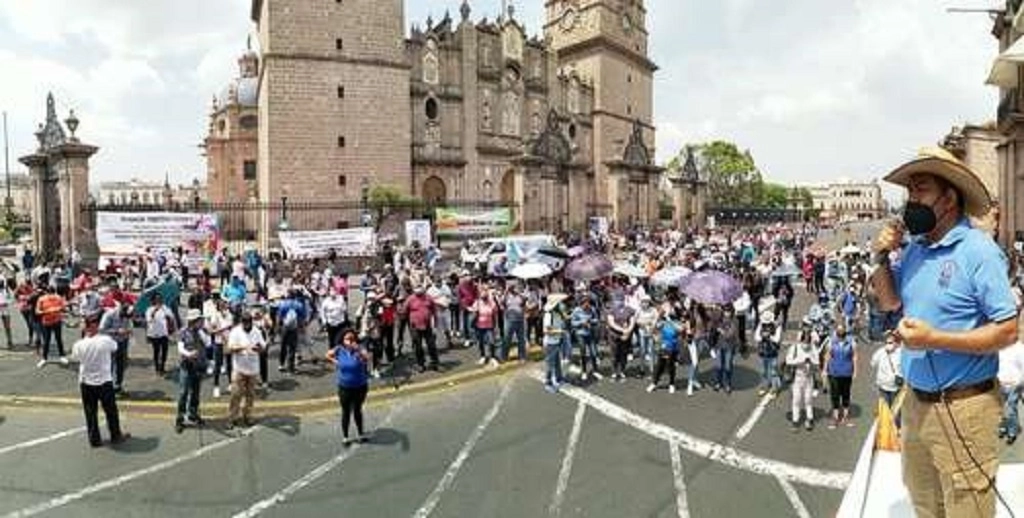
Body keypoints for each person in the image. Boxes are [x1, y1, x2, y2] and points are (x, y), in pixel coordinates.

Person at [870, 148, 1018, 518]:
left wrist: (933, 339)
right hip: (917, 403)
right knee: (925, 503)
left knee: (967, 507)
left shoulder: (979, 252)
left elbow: (1009, 330)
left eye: (920, 190)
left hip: (965, 408)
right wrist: (881, 258)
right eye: (909, 193)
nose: (911, 201)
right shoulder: (916, 250)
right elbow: (889, 303)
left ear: (949, 198)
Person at [70, 311, 130, 448]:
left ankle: (94, 440)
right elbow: (115, 348)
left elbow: (75, 358)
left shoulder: (78, 344)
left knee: (90, 412)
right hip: (104, 381)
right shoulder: (105, 340)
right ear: (95, 326)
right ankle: (115, 435)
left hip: (86, 382)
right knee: (110, 411)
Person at [326, 329, 371, 446]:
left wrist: (358, 350)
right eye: (347, 339)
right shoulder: (339, 349)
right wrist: (335, 362)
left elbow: (367, 358)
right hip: (345, 387)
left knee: (357, 410)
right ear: (343, 340)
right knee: (346, 412)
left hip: (360, 386)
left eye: (352, 339)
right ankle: (345, 437)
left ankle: (361, 434)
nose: (350, 341)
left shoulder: (360, 349)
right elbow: (328, 354)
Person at [227, 313, 264, 429]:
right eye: (245, 323)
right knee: (236, 394)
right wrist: (242, 347)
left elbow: (263, 347)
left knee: (250, 395)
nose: (247, 325)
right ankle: (232, 417)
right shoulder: (235, 332)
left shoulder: (257, 331)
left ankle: (247, 416)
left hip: (253, 369)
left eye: (249, 323)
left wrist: (258, 348)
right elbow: (230, 348)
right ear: (242, 322)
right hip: (239, 368)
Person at [176, 309, 209, 433]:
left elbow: (208, 343)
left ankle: (193, 414)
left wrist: (202, 334)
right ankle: (180, 418)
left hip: (199, 365)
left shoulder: (202, 332)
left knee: (195, 392)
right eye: (200, 320)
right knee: (183, 392)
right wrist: (188, 354)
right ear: (193, 321)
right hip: (186, 365)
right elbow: (180, 348)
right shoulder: (183, 332)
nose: (202, 322)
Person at [785, 324, 820, 431]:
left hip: (809, 377)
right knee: (796, 399)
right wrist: (801, 361)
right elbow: (788, 360)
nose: (806, 343)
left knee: (808, 400)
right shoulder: (795, 347)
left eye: (808, 340)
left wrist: (811, 361)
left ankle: (810, 419)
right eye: (804, 340)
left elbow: (817, 362)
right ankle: (795, 421)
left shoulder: (813, 348)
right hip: (797, 377)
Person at [823, 323, 857, 429]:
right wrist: (824, 369)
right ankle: (835, 418)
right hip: (834, 372)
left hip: (847, 371)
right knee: (835, 394)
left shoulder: (851, 342)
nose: (840, 333)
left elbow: (855, 356)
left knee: (846, 394)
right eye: (838, 331)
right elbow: (827, 355)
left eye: (842, 330)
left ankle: (845, 418)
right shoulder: (831, 342)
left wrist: (855, 370)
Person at [99, 302, 133, 394]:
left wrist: (129, 330)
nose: (126, 318)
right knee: (109, 365)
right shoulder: (109, 314)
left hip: (123, 342)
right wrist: (116, 331)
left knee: (121, 364)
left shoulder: (127, 315)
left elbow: (130, 325)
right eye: (125, 315)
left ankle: (118, 385)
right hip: (111, 342)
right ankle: (107, 387)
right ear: (121, 309)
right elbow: (102, 329)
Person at [647, 308, 681, 394]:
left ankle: (672, 384)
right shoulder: (663, 323)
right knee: (659, 365)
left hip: (673, 348)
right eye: (669, 312)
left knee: (671, 366)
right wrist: (658, 317)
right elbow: (653, 328)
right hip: (663, 347)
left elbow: (680, 330)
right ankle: (654, 383)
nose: (670, 313)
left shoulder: (677, 323)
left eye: (672, 312)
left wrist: (670, 321)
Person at [406, 284, 439, 372]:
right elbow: (405, 310)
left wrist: (435, 324)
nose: (419, 294)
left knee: (431, 345)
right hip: (415, 326)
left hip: (427, 325)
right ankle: (421, 364)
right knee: (418, 347)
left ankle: (434, 362)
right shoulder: (410, 299)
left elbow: (434, 311)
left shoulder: (428, 298)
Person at [998, 339, 1024, 445]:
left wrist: (1019, 382)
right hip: (1000, 383)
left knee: (1010, 409)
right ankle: (1004, 427)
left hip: (1014, 385)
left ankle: (1012, 433)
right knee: (1001, 408)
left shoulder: (1019, 348)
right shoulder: (1000, 347)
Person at [542, 293, 569, 392]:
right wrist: (559, 331)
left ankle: (559, 378)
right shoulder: (548, 316)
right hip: (550, 343)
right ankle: (548, 383)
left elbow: (564, 320)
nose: (562, 305)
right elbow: (546, 331)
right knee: (550, 364)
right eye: (559, 303)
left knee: (557, 362)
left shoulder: (557, 314)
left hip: (557, 341)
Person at [35, 286, 68, 368]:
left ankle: (62, 356)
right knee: (46, 341)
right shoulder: (41, 299)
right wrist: (47, 311)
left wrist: (60, 309)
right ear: (46, 293)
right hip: (46, 322)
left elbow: (64, 308)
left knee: (58, 339)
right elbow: (37, 311)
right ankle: (44, 358)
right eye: (49, 294)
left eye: (52, 294)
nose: (51, 296)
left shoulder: (58, 298)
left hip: (57, 321)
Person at [870, 332, 903, 411]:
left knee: (895, 411)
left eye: (890, 343)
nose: (888, 345)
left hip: (896, 387)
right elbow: (873, 363)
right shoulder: (880, 352)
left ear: (895, 343)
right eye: (886, 343)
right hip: (883, 385)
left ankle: (895, 423)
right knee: (885, 410)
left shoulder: (900, 353)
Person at [145, 293, 175, 375]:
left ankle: (162, 366)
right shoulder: (149, 309)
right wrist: (155, 310)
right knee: (156, 351)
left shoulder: (165, 308)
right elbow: (149, 320)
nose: (159, 300)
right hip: (154, 334)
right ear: (153, 300)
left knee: (165, 351)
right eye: (157, 299)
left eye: (160, 298)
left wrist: (168, 315)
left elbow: (172, 317)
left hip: (164, 333)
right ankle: (157, 367)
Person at [754, 311, 782, 397]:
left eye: (768, 322)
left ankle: (775, 388)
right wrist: (763, 336)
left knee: (773, 371)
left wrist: (769, 336)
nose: (766, 324)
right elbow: (756, 337)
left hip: (773, 353)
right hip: (762, 352)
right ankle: (764, 386)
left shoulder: (777, 327)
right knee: (763, 371)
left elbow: (777, 339)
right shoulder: (760, 325)